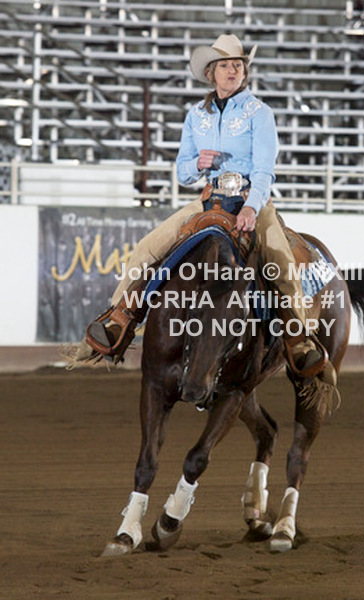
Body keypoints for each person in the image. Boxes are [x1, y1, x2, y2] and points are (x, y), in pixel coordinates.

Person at [77, 34, 325, 376]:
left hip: (251, 199)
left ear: (244, 72)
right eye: (224, 65)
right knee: (147, 247)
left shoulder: (259, 113)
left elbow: (264, 170)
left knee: (280, 261)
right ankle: (119, 320)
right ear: (211, 73)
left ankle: (300, 340)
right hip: (210, 201)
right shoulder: (197, 115)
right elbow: (182, 171)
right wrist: (198, 163)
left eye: (237, 65)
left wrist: (252, 208)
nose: (232, 71)